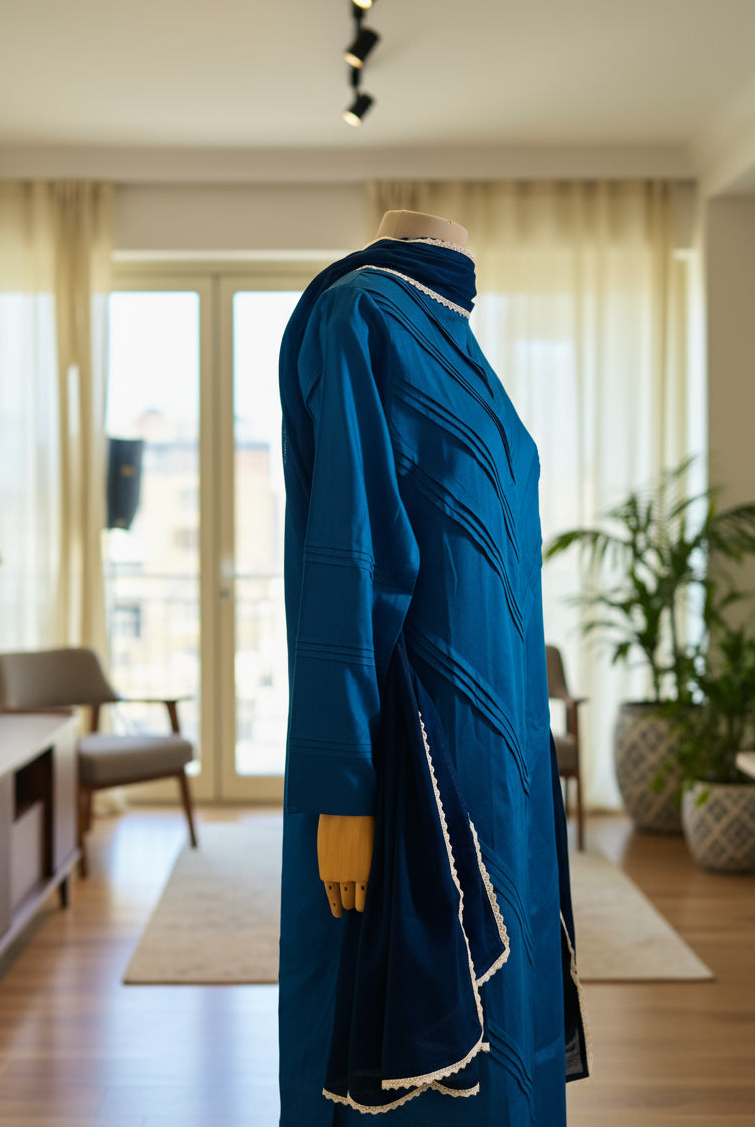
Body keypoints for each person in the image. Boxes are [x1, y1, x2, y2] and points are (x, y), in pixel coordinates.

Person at [278, 211, 589, 1124]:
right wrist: (346, 788)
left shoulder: (461, 337)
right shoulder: (362, 313)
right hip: (421, 757)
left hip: (509, 765)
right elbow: (350, 554)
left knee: (513, 1025)